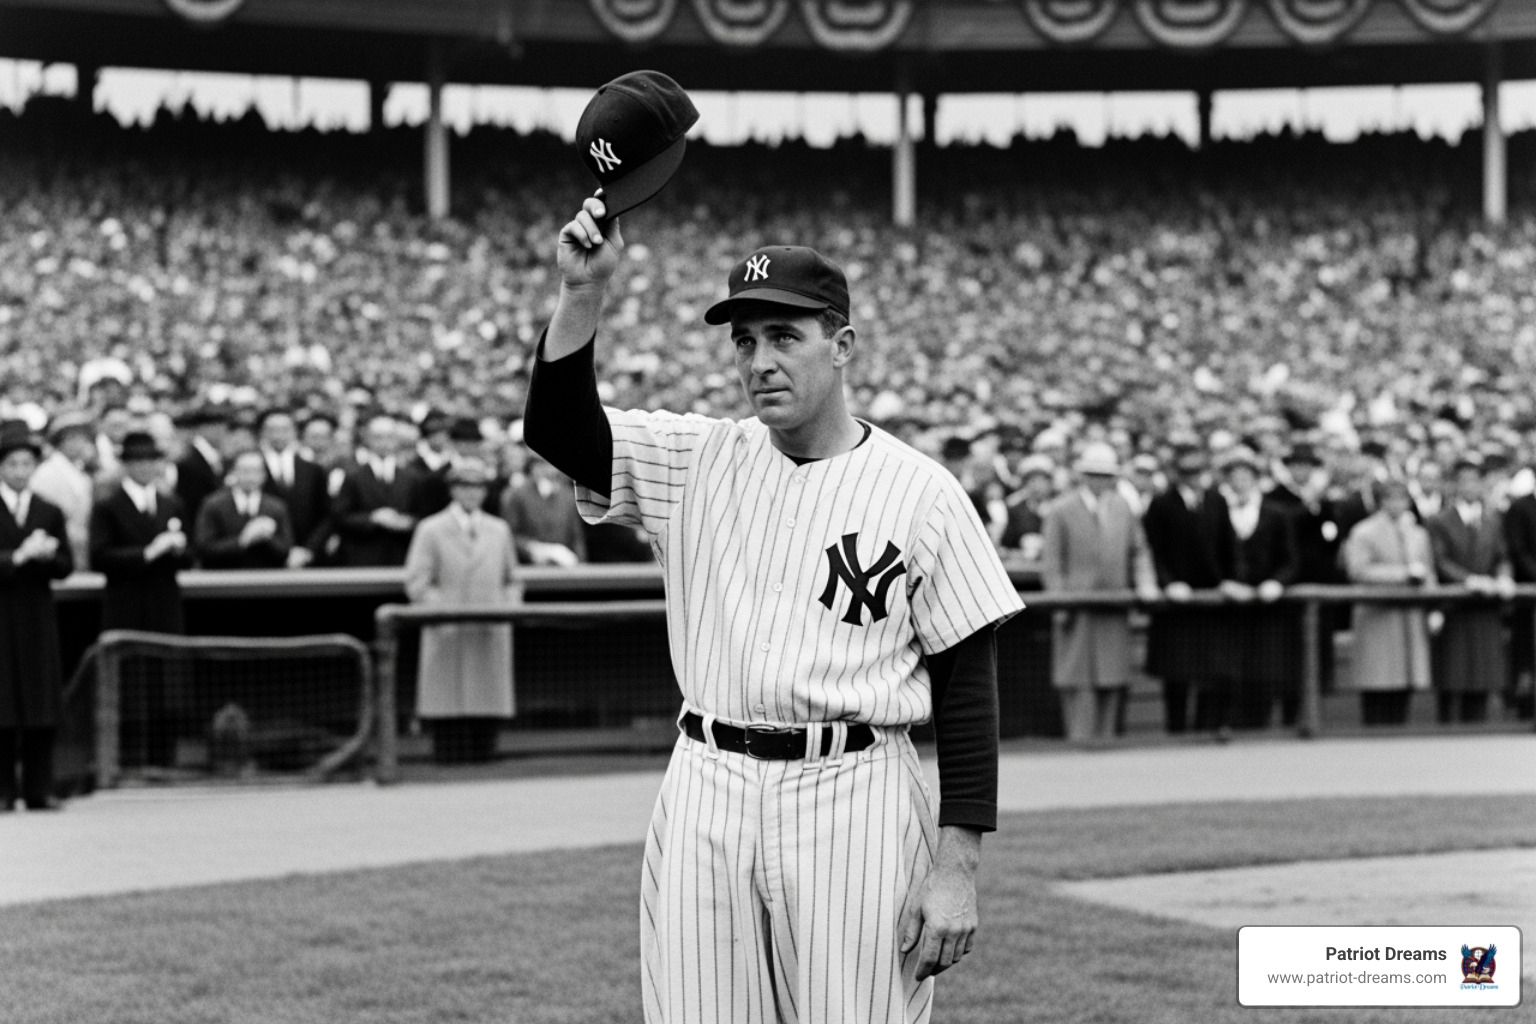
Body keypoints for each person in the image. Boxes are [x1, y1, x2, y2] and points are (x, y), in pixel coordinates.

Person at [525, 195, 1022, 1023]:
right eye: (745, 341)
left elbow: (967, 684)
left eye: (784, 337)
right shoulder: (698, 457)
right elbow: (558, 429)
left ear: (842, 345)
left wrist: (957, 866)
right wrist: (583, 293)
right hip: (706, 783)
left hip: (854, 791)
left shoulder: (922, 492)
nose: (760, 361)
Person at [403, 458, 521, 763]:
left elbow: (513, 579)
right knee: (447, 699)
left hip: (489, 627)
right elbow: (417, 582)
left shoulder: (499, 530)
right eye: (464, 486)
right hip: (448, 629)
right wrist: (443, 610)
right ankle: (449, 755)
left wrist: (505, 608)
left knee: (487, 697)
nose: (471, 493)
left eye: (478, 487)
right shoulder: (430, 529)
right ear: (452, 490)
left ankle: (484, 752)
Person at [1039, 442, 1158, 742]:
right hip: (1076, 612)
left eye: (1105, 475)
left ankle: (1107, 746)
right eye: (1094, 474)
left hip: (1113, 609)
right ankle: (1079, 746)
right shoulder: (1061, 509)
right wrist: (1061, 605)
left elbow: (1139, 551)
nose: (1100, 480)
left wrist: (1146, 583)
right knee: (1077, 682)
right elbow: (1052, 563)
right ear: (1082, 475)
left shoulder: (1123, 507)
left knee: (1112, 679)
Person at [89, 431, 193, 768]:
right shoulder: (108, 506)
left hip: (164, 604)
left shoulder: (172, 504)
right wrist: (149, 552)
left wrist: (177, 550)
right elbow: (99, 557)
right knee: (129, 682)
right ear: (127, 466)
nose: (146, 467)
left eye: (151, 460)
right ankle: (127, 761)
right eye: (138, 461)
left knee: (166, 682)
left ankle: (164, 760)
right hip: (126, 605)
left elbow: (189, 557)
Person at [0, 421, 74, 810]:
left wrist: (46, 556)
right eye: (12, 464)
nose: (19, 472)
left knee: (40, 703)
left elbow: (66, 565)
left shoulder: (49, 510)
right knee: (3, 704)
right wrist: (18, 557)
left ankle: (38, 788)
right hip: (2, 614)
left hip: (36, 614)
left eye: (26, 464)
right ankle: (3, 790)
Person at [1141, 441, 1236, 735]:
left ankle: (1205, 731)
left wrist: (1230, 580)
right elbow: (1152, 551)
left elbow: (1228, 545)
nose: (1193, 477)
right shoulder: (1161, 504)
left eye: (1197, 471)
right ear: (1177, 474)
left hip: (1211, 602)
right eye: (1187, 472)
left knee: (1212, 673)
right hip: (1176, 604)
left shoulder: (1216, 500)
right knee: (1177, 676)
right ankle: (1177, 732)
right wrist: (1168, 583)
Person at [1425, 454, 1514, 724]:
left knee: (1482, 676)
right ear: (1453, 485)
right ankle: (1447, 730)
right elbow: (1439, 560)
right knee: (1453, 676)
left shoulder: (1493, 519)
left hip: (1486, 607)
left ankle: (1479, 730)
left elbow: (1502, 556)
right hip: (1454, 607)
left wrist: (1504, 577)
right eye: (1463, 481)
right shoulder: (1439, 520)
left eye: (1475, 480)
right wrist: (1468, 580)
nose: (1469, 486)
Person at [1218, 446, 1301, 730]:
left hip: (1268, 610)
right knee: (1231, 673)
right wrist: (1223, 582)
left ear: (1255, 478)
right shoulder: (1218, 512)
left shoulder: (1276, 513)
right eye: (1234, 476)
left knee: (1265, 672)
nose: (1240, 481)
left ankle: (1262, 728)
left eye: (1245, 475)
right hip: (1229, 609)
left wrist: (1277, 582)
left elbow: (1291, 559)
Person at [1341, 478, 1436, 725]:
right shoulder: (1363, 531)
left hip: (1410, 616)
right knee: (1377, 680)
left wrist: (1434, 606)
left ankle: (1399, 732)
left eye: (1401, 499)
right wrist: (1403, 574)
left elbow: (1429, 571)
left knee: (1406, 682)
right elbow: (1357, 570)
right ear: (1381, 502)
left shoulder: (1417, 533)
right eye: (1390, 498)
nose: (1396, 504)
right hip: (1377, 615)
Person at [330, 414, 420, 567]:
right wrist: (373, 518)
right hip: (362, 557)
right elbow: (339, 517)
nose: (384, 443)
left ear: (396, 440)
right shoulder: (353, 476)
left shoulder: (412, 477)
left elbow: (422, 515)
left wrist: (407, 522)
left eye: (389, 437)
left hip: (401, 556)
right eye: (378, 437)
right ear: (368, 440)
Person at [194, 449, 295, 569]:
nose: (250, 477)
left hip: (266, 574)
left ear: (264, 475)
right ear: (233, 472)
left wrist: (266, 537)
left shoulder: (276, 507)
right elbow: (204, 548)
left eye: (255, 471)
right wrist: (243, 540)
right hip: (224, 574)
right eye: (245, 470)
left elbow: (286, 549)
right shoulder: (213, 504)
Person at [258, 408, 330, 568]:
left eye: (284, 429)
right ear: (262, 433)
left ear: (294, 432)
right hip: (264, 557)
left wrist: (309, 549)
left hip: (307, 556)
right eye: (272, 429)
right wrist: (282, 550)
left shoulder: (313, 470)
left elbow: (326, 515)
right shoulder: (252, 469)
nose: (278, 435)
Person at [29, 411, 97, 572]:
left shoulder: (81, 471)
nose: (77, 443)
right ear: (59, 441)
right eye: (71, 438)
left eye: (82, 438)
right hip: (60, 548)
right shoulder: (46, 473)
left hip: (83, 548)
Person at [500, 452, 587, 566]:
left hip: (564, 567)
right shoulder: (517, 495)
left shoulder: (568, 496)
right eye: (541, 464)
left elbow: (576, 537)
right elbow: (509, 535)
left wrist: (581, 563)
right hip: (530, 566)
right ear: (533, 467)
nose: (547, 469)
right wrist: (535, 549)